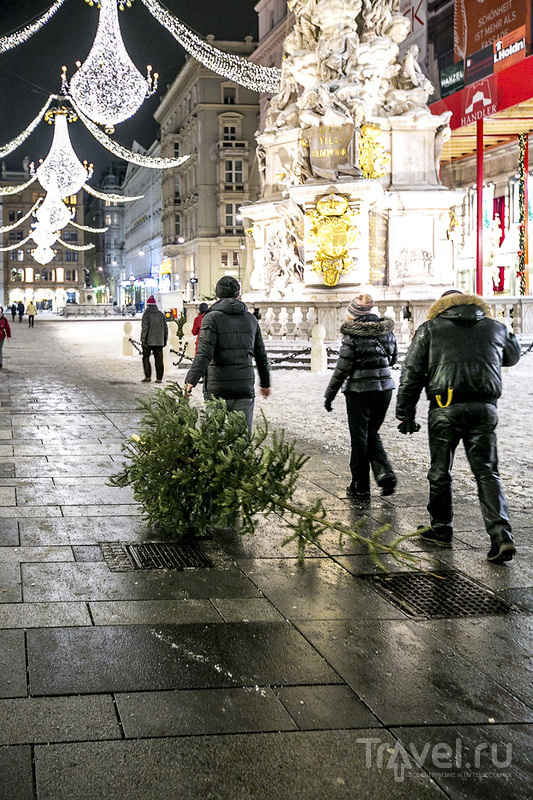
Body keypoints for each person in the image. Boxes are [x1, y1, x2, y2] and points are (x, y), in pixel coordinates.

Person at [396, 289, 521, 564]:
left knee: (441, 472)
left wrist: (405, 413)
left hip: (445, 407)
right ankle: (501, 536)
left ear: (441, 307)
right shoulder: (494, 327)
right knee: (487, 472)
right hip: (484, 408)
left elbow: (412, 372)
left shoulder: (430, 329)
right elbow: (513, 356)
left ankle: (441, 528)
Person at [324, 293, 398, 508]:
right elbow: (392, 359)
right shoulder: (387, 331)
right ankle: (384, 473)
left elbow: (342, 369)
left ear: (353, 313)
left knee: (360, 438)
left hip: (359, 391)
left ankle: (360, 485)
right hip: (384, 389)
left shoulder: (352, 335)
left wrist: (330, 394)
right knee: (371, 433)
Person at [185, 276, 271, 431]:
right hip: (244, 388)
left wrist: (192, 379)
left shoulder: (211, 318)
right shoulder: (251, 319)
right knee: (241, 439)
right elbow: (260, 354)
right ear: (238, 295)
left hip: (217, 387)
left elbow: (204, 353)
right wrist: (265, 383)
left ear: (217, 296)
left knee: (212, 441)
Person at [140, 295, 168, 384]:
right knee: (159, 359)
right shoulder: (160, 314)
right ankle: (159, 378)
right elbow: (165, 328)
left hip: (148, 341)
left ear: (148, 305)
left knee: (146, 357)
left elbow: (145, 328)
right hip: (159, 341)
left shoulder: (146, 314)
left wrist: (143, 339)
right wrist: (164, 340)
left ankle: (148, 376)